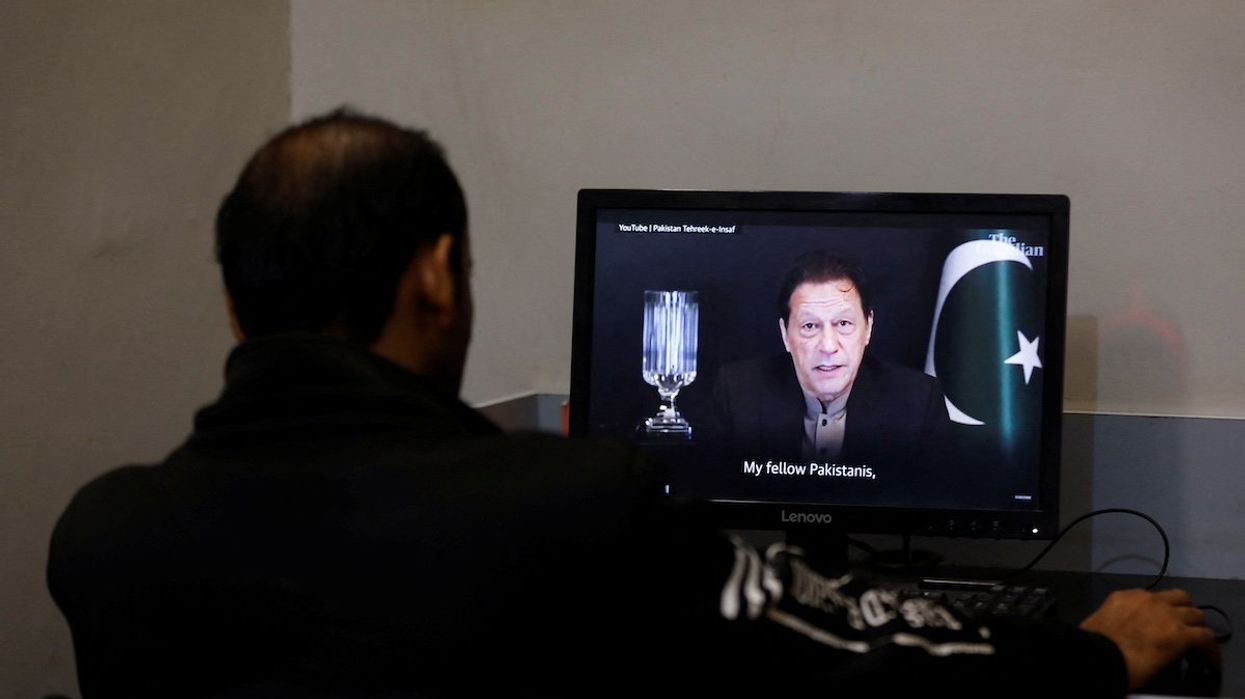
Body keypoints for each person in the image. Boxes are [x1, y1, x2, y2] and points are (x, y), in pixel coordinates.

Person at [48, 109, 1217, 697]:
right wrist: (1091, 656)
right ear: (438, 275)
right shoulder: (567, 507)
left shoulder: (102, 538)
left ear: (233, 302)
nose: (824, 345)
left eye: (844, 323)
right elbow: (853, 653)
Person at [707, 251, 952, 503]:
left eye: (844, 323)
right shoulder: (737, 393)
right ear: (785, 334)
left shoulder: (918, 401)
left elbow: (936, 502)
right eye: (809, 326)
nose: (828, 346)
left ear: (867, 328)